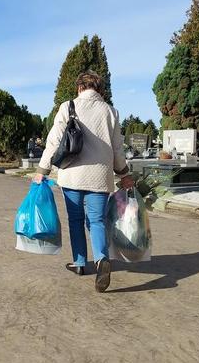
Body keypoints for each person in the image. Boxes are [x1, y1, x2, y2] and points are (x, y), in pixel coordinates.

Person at [33, 70, 134, 293]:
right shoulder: (111, 112)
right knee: (96, 221)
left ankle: (79, 263)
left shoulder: (67, 106)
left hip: (72, 175)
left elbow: (54, 141)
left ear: (80, 87)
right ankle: (100, 260)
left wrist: (43, 169)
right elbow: (117, 147)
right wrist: (124, 174)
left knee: (76, 220)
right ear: (99, 88)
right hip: (99, 176)